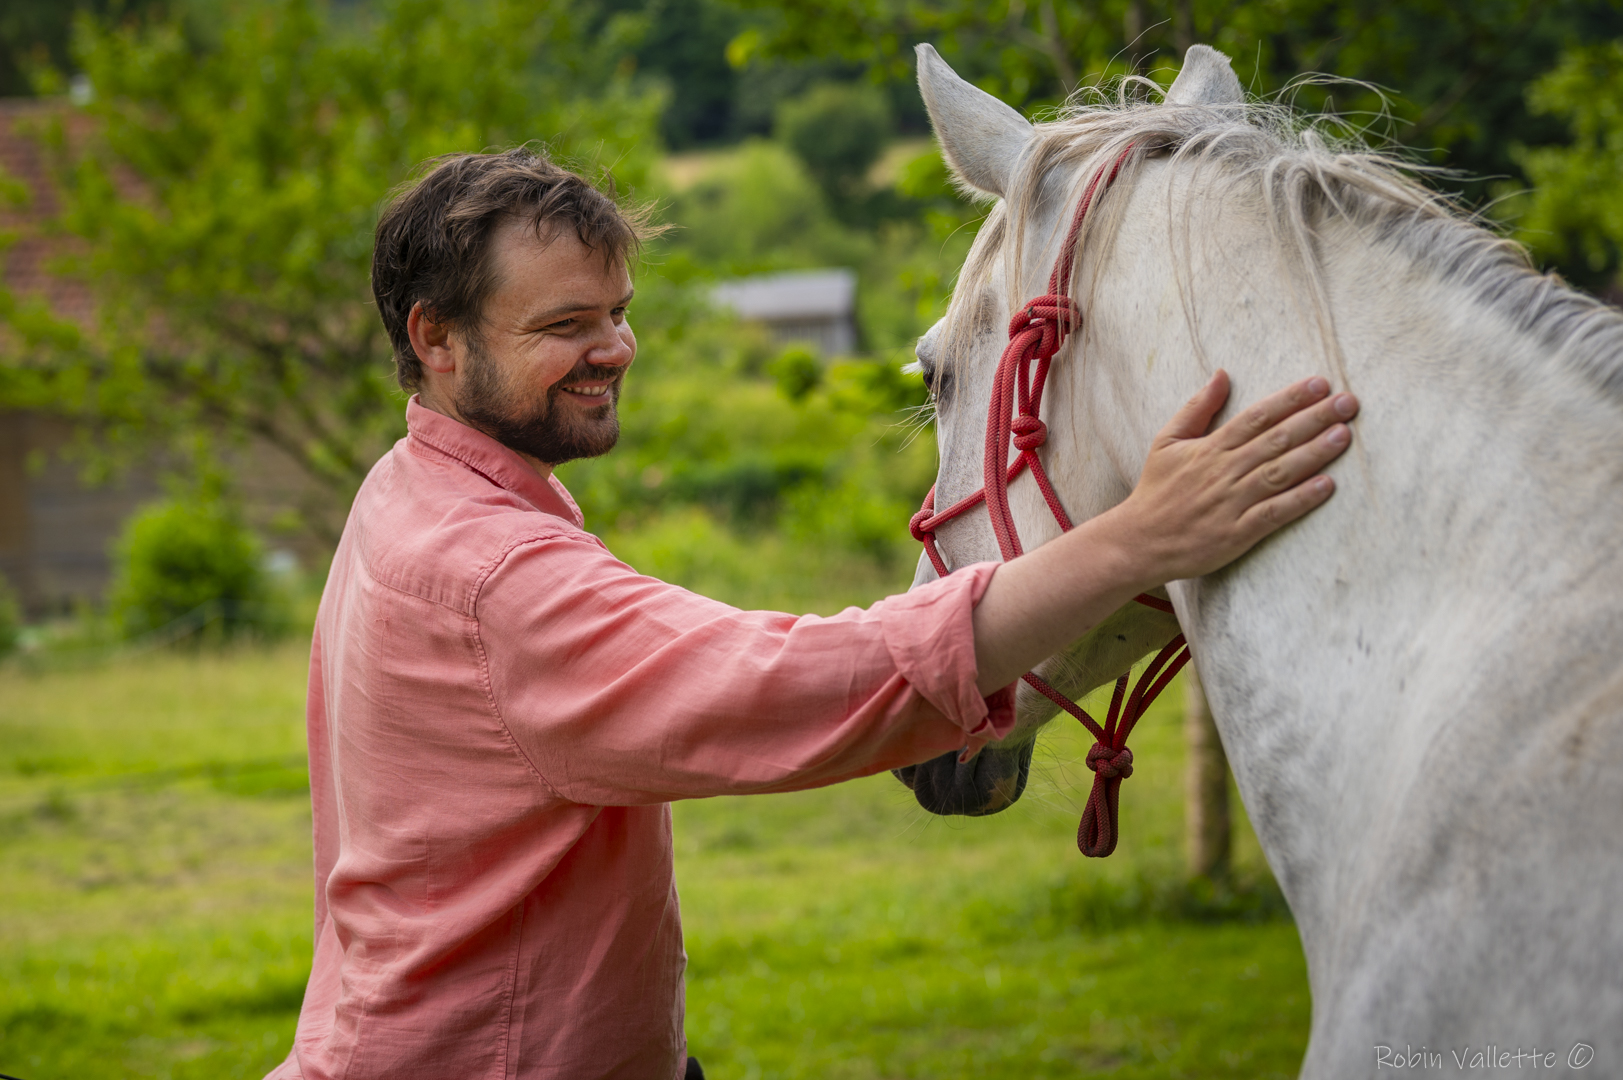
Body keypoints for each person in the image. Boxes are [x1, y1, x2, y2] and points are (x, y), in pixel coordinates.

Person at [266, 147, 1358, 1080]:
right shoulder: (491, 574)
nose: (613, 351)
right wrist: (1139, 537)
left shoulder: (414, 488)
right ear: (438, 337)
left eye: (617, 314)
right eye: (565, 324)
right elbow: (776, 685)